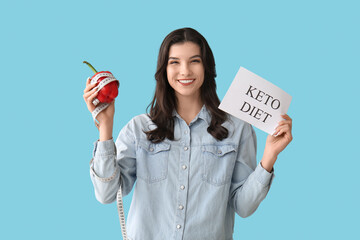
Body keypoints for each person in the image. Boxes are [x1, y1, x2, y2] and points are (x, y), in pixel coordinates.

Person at [83, 27, 293, 240]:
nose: (185, 71)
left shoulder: (238, 129)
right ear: (164, 69)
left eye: (194, 61)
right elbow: (107, 194)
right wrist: (105, 127)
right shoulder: (139, 129)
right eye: (174, 62)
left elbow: (244, 207)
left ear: (207, 67)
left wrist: (268, 158)